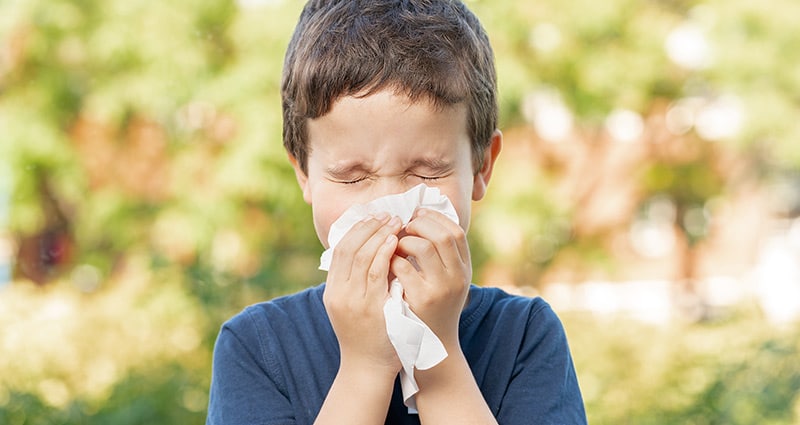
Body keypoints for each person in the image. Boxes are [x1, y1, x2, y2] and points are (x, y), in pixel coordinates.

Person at [206, 0, 587, 423]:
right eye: (352, 176)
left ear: (481, 166)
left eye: (427, 171)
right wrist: (364, 366)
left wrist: (435, 358)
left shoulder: (525, 336)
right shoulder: (257, 347)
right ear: (304, 174)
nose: (389, 211)